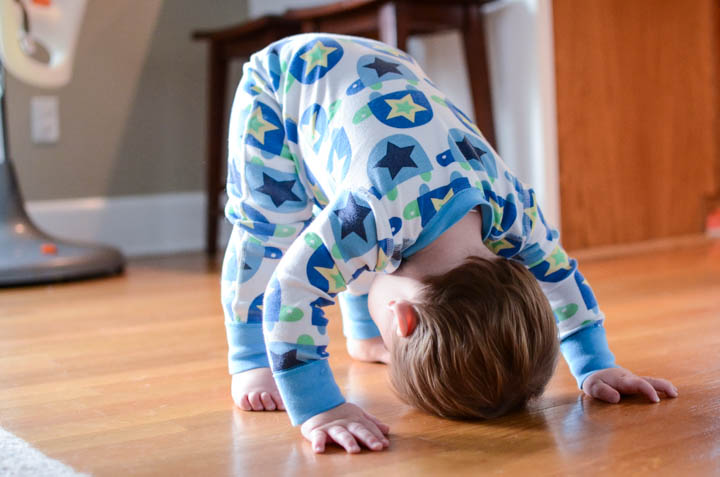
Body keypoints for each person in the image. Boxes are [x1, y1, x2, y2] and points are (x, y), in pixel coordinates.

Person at [221, 33, 677, 454]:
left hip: (383, 71)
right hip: (282, 84)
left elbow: (560, 277)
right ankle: (248, 359)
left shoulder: (514, 212)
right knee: (270, 230)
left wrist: (596, 363)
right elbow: (291, 288)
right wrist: (319, 406)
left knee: (354, 248)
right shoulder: (369, 214)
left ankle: (363, 337)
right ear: (403, 319)